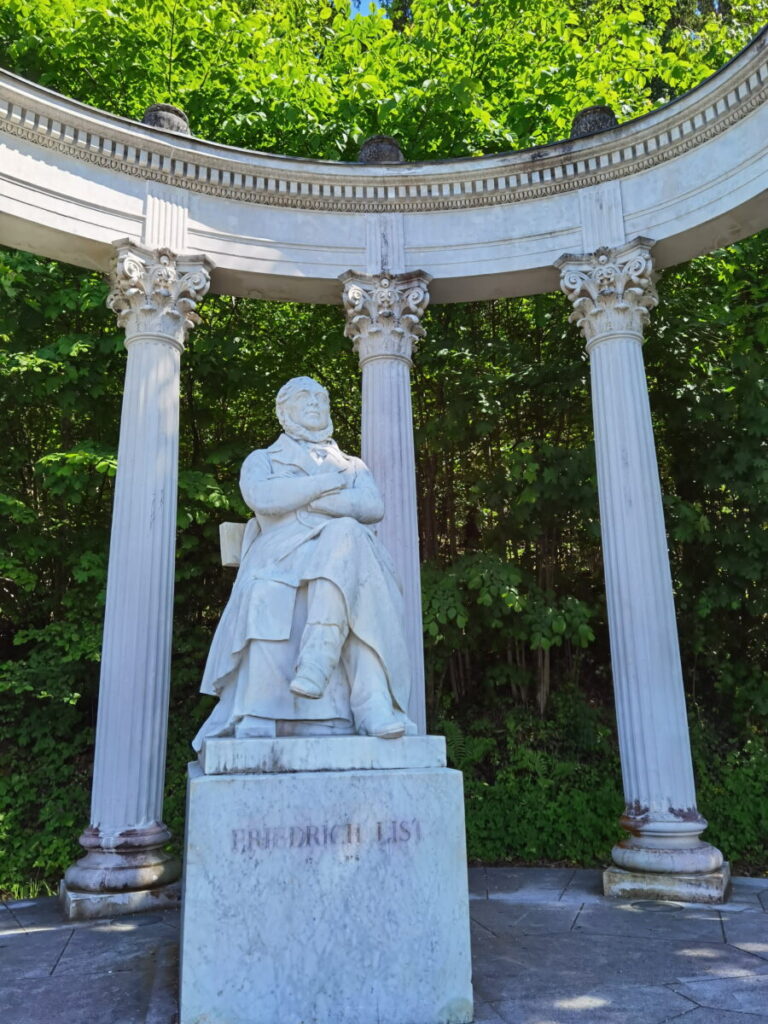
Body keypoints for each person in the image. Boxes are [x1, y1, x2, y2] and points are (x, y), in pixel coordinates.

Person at [192, 377, 415, 750]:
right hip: (282, 554)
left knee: (347, 536)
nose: (314, 403)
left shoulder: (353, 464)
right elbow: (263, 497)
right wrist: (327, 487)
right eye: (303, 397)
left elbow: (373, 507)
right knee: (349, 538)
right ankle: (369, 702)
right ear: (283, 410)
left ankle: (322, 665)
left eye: (321, 397)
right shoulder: (263, 459)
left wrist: (306, 501)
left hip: (345, 552)